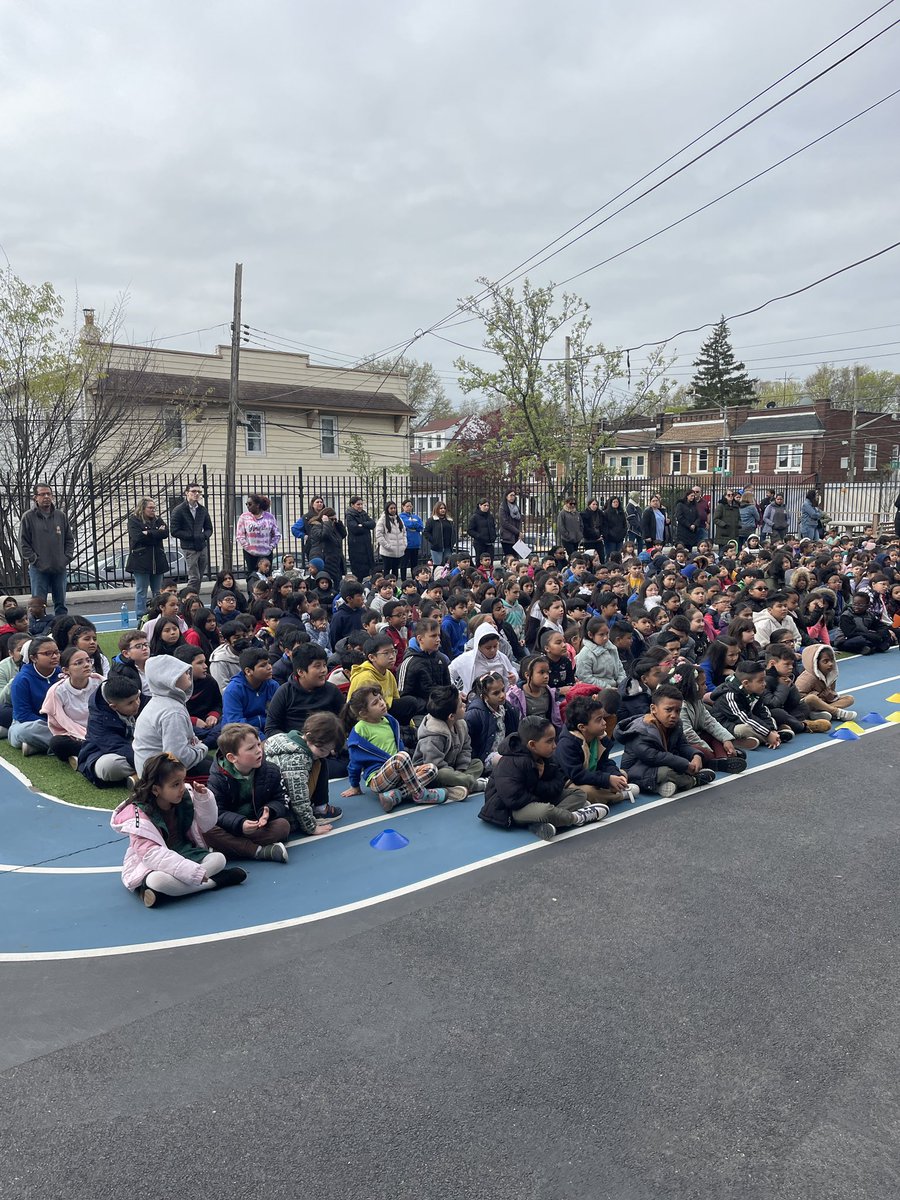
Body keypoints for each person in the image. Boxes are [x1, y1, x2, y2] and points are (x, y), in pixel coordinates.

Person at [111, 753, 246, 907]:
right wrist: (192, 873)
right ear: (156, 790)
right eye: (175, 785)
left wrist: (203, 800)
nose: (182, 788)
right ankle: (216, 882)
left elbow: (207, 824)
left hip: (184, 851)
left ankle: (166, 893)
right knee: (157, 881)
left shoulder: (184, 799)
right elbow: (152, 855)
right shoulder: (139, 817)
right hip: (153, 863)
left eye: (183, 781)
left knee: (218, 859)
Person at [478, 715, 608, 841]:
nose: (554, 745)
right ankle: (577, 817)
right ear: (532, 745)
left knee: (579, 794)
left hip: (534, 799)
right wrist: (541, 791)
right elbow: (514, 799)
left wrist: (542, 783)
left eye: (554, 739)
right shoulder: (510, 762)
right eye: (549, 741)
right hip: (510, 810)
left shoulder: (546, 756)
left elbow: (558, 782)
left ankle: (539, 823)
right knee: (546, 811)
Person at [342, 684, 447, 810]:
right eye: (375, 703)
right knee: (401, 757)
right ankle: (420, 794)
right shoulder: (360, 730)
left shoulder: (389, 720)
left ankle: (397, 795)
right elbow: (354, 761)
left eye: (381, 698)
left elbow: (399, 746)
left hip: (398, 774)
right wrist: (355, 786)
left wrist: (409, 770)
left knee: (431, 768)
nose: (382, 703)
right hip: (378, 778)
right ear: (363, 713)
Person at [205, 723, 292, 863]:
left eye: (258, 744)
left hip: (257, 826)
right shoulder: (217, 779)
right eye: (251, 748)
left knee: (282, 826)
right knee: (206, 831)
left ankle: (229, 846)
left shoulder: (271, 770)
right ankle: (258, 851)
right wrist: (240, 824)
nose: (259, 750)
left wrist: (269, 811)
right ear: (232, 758)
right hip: (232, 827)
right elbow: (217, 812)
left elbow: (281, 799)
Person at [616, 683, 717, 798]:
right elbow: (653, 756)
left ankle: (664, 786)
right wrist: (684, 765)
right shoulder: (640, 730)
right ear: (653, 709)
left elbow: (682, 745)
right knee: (666, 772)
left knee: (687, 759)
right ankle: (694, 781)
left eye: (677, 711)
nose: (673, 715)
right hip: (636, 770)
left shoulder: (676, 724)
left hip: (661, 764)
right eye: (668, 710)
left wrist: (696, 755)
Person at [264, 710, 345, 835]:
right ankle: (320, 810)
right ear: (308, 736)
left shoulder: (285, 739)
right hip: (281, 808)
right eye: (322, 749)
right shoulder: (296, 761)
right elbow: (298, 798)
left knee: (319, 759)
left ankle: (317, 808)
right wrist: (311, 827)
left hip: (273, 801)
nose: (325, 753)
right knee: (320, 761)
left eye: (329, 751)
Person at [133, 655, 212, 778]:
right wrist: (201, 748)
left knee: (211, 761)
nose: (188, 674)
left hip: (152, 768)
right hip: (160, 776)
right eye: (182, 672)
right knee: (219, 773)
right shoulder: (172, 712)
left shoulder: (162, 701)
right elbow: (178, 758)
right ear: (169, 679)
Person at [555, 691, 638, 806]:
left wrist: (615, 774)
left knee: (621, 774)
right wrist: (607, 779)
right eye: (599, 720)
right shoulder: (567, 744)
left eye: (603, 718)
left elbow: (604, 763)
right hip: (571, 783)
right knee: (587, 792)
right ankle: (619, 795)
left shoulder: (598, 737)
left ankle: (609, 792)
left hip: (592, 775)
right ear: (582, 727)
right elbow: (577, 775)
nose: (604, 723)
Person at [412, 685, 483, 798]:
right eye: (461, 705)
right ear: (451, 716)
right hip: (431, 773)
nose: (465, 705)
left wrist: (461, 769)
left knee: (477, 763)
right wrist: (455, 775)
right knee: (443, 774)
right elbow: (435, 764)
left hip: (454, 769)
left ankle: (458, 785)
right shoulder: (433, 735)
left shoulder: (461, 724)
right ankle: (472, 784)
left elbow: (466, 748)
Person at [41, 645, 102, 768]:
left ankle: (84, 755)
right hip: (73, 735)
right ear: (65, 670)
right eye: (79, 663)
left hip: (100, 732)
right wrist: (83, 736)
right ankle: (93, 753)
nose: (86, 665)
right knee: (57, 743)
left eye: (88, 661)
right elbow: (60, 723)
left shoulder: (100, 683)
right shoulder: (57, 691)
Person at [265, 643, 344, 737]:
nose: (323, 670)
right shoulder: (285, 692)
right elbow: (271, 728)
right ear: (301, 672)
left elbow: (345, 721)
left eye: (324, 665)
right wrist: (295, 740)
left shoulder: (332, 690)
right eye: (317, 666)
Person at [19, 483, 74, 616]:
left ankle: (61, 631)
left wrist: (65, 558)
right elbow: (23, 543)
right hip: (38, 569)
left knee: (60, 604)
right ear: (35, 498)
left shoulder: (60, 516)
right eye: (42, 494)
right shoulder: (28, 517)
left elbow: (69, 540)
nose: (46, 497)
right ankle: (39, 634)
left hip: (59, 568)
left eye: (49, 494)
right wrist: (35, 560)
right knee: (37, 606)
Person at [709, 660, 792, 748]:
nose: (764, 683)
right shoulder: (730, 695)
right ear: (746, 683)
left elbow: (763, 711)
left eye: (764, 679)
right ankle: (738, 741)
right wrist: (768, 734)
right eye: (760, 681)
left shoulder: (755, 691)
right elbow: (744, 718)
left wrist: (771, 729)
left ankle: (773, 735)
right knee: (744, 729)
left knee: (772, 716)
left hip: (746, 720)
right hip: (727, 725)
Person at [8, 636, 61, 754]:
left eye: (57, 652)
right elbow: (23, 715)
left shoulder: (62, 674)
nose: (54, 656)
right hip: (30, 724)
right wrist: (53, 725)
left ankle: (37, 747)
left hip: (62, 723)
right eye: (48, 653)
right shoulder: (22, 680)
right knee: (29, 730)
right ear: (33, 657)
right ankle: (70, 744)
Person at [221, 647, 279, 737]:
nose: (269, 667)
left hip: (268, 731)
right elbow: (237, 724)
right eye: (263, 665)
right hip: (240, 735)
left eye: (269, 663)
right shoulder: (233, 690)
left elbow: (279, 714)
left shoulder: (272, 685)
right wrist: (262, 739)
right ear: (248, 671)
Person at [450, 624, 517, 697]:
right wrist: (457, 692)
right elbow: (448, 674)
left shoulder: (502, 658)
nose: (493, 650)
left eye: (495, 646)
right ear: (478, 646)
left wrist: (514, 677)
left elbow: (511, 671)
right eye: (488, 648)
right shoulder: (466, 659)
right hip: (473, 701)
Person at [169, 482, 213, 591]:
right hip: (188, 547)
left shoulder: (202, 510)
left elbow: (209, 528)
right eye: (193, 491)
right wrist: (192, 536)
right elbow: (174, 531)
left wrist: (203, 536)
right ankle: (188, 599)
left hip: (202, 546)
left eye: (199, 492)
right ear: (186, 493)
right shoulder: (179, 510)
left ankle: (194, 597)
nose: (196, 494)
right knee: (194, 577)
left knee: (199, 577)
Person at [795, 645, 857, 720]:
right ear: (815, 663)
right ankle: (836, 712)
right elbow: (797, 697)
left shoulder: (831, 675)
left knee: (849, 699)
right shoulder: (807, 678)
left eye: (832, 660)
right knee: (811, 698)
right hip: (808, 705)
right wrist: (819, 695)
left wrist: (830, 696)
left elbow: (832, 692)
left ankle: (821, 712)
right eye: (825, 661)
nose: (830, 664)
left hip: (823, 703)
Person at [235, 493, 280, 575]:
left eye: (250, 504)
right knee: (252, 576)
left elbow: (276, 534)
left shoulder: (269, 517)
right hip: (250, 554)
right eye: (246, 504)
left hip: (266, 553)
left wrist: (271, 546)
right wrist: (248, 547)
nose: (248, 506)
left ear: (257, 505)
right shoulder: (244, 517)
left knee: (266, 576)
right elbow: (240, 535)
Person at [575, 617, 626, 689]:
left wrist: (622, 684)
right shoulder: (586, 654)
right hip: (598, 691)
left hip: (617, 688)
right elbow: (586, 678)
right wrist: (607, 688)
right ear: (590, 635)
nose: (605, 637)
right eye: (601, 635)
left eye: (607, 633)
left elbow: (620, 669)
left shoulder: (612, 648)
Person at [305, 508, 346, 583]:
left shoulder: (334, 528)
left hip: (336, 562)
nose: (333, 521)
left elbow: (343, 534)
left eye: (335, 519)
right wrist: (326, 523)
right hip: (326, 561)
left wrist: (338, 523)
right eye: (332, 519)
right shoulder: (316, 527)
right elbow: (324, 535)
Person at [345, 496, 376, 581]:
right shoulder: (349, 515)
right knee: (358, 572)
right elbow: (354, 529)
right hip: (356, 547)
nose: (360, 506)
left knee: (369, 570)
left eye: (361, 504)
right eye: (358, 504)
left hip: (366, 546)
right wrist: (365, 525)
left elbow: (372, 524)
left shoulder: (364, 513)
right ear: (352, 505)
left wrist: (362, 524)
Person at [374, 501, 407, 578]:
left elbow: (404, 533)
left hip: (399, 551)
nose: (393, 510)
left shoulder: (399, 520)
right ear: (387, 509)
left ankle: (394, 587)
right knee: (387, 570)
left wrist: (404, 544)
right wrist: (387, 546)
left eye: (394, 508)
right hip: (387, 552)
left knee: (395, 571)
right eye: (391, 508)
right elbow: (379, 535)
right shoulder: (382, 520)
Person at [424, 501, 456, 567]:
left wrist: (453, 541)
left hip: (448, 547)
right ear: (437, 509)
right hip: (437, 547)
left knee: (447, 565)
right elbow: (426, 532)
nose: (443, 510)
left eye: (444, 508)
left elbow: (454, 532)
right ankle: (437, 577)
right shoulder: (432, 520)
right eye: (441, 508)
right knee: (438, 566)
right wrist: (434, 541)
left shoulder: (450, 520)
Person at [399, 499, 424, 579]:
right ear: (403, 507)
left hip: (415, 543)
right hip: (407, 543)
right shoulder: (401, 516)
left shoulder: (416, 516)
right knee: (404, 563)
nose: (409, 508)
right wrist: (414, 524)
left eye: (410, 506)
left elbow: (421, 526)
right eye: (407, 506)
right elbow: (406, 524)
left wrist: (414, 525)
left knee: (415, 564)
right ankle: (403, 579)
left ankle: (415, 578)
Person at [467, 500, 497, 565]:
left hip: (490, 543)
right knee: (480, 561)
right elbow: (470, 530)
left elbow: (493, 527)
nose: (486, 507)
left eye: (488, 506)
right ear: (480, 506)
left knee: (490, 561)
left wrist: (494, 536)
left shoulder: (490, 517)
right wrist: (479, 536)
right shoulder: (474, 517)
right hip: (479, 544)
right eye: (484, 505)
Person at [498, 490, 522, 557]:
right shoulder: (503, 507)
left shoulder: (516, 507)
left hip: (516, 537)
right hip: (507, 537)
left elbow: (519, 520)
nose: (512, 497)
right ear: (506, 497)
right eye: (511, 495)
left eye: (514, 495)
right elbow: (504, 523)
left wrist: (520, 531)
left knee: (516, 557)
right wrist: (517, 531)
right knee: (509, 557)